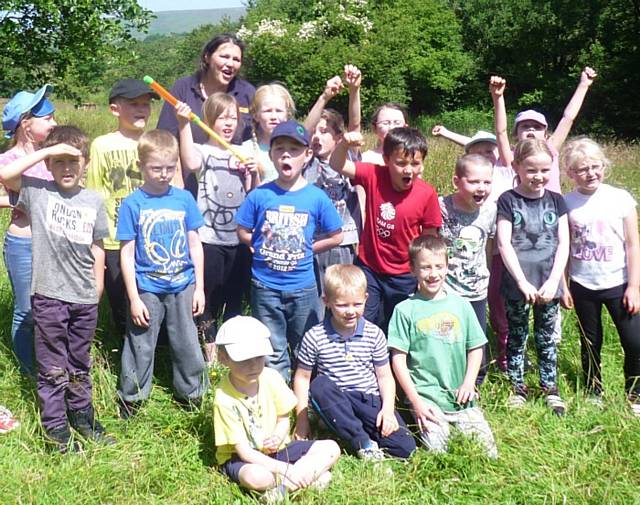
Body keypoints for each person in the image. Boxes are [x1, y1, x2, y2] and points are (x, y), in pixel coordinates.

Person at [0, 126, 113, 452]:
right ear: (49, 164)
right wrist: (46, 152)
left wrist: (99, 283)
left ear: (86, 164)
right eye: (59, 161)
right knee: (52, 367)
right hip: (49, 297)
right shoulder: (37, 192)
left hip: (84, 298)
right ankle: (55, 431)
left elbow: (98, 246)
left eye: (73, 161)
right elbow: (5, 173)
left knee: (80, 363)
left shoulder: (93, 200)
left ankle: (82, 418)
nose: (66, 168)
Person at [236, 120, 343, 380]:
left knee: (307, 345)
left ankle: (309, 399)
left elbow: (337, 236)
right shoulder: (259, 195)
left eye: (294, 150)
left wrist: (308, 248)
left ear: (307, 156)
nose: (286, 154)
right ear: (271, 155)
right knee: (272, 348)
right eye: (280, 149)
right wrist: (257, 245)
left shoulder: (316, 197)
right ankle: (279, 398)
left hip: (304, 288)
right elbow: (242, 231)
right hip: (265, 287)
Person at [116, 129, 208, 417]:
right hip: (147, 287)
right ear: (141, 166)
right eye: (156, 168)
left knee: (187, 341)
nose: (164, 174)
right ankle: (131, 398)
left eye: (170, 168)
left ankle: (192, 395)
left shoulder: (183, 200)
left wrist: (200, 287)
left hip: (183, 284)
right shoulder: (133, 203)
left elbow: (195, 244)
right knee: (140, 344)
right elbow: (127, 253)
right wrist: (133, 298)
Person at [388, 235, 497, 458]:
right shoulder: (404, 310)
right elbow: (398, 359)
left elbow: (476, 347)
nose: (433, 273)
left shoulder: (462, 305)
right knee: (439, 451)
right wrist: (416, 401)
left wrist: (468, 383)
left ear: (447, 267)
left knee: (488, 452)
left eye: (439, 266)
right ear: (413, 269)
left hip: (460, 399)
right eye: (425, 267)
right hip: (427, 399)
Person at [293, 264, 416, 460]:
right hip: (335, 400)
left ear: (366, 299)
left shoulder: (374, 333)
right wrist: (301, 420)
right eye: (342, 305)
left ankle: (342, 430)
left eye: (357, 304)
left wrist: (387, 410)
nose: (351, 311)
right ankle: (363, 442)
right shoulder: (315, 336)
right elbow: (302, 378)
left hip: (367, 400)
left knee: (405, 448)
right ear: (327, 302)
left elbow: (384, 376)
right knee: (320, 386)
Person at [213, 316, 340, 503]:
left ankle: (283, 489)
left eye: (258, 357)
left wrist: (279, 435)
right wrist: (286, 468)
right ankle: (308, 476)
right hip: (241, 458)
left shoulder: (271, 377)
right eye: (244, 359)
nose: (253, 365)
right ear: (223, 359)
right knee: (256, 477)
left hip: (279, 450)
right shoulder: (224, 398)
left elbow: (283, 417)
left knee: (331, 447)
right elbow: (244, 452)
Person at [329, 127, 441, 331]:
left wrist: (421, 272)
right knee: (364, 323)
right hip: (369, 268)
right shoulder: (373, 174)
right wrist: (344, 144)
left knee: (398, 325)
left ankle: (393, 362)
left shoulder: (427, 194)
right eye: (401, 163)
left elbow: (429, 241)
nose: (409, 170)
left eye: (416, 163)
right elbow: (337, 164)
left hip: (405, 275)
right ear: (386, 159)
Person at [560, 138, 640, 415]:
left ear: (604, 166)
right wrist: (564, 283)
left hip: (618, 283)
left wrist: (634, 285)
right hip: (583, 284)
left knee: (634, 341)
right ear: (570, 173)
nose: (590, 173)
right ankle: (594, 389)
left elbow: (632, 243)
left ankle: (635, 393)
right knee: (590, 342)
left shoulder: (620, 199)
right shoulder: (566, 203)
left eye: (595, 167)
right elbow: (565, 247)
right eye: (582, 169)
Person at [175, 93, 257, 363]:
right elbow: (190, 163)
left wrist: (254, 173)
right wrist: (184, 124)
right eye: (222, 117)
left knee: (234, 298)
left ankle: (231, 353)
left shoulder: (245, 151)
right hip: (209, 238)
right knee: (208, 297)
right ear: (209, 119)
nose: (228, 122)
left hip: (239, 240)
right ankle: (210, 354)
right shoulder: (203, 151)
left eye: (233, 117)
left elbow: (254, 196)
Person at [496, 139, 569, 415]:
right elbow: (504, 243)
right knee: (517, 334)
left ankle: (549, 386)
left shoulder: (556, 201)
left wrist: (554, 281)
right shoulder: (508, 200)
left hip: (549, 283)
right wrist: (521, 281)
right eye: (531, 171)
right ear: (517, 167)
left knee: (546, 336)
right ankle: (517, 386)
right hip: (518, 285)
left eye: (544, 170)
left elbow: (563, 243)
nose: (538, 177)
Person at [85, 78, 162, 336]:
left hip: (152, 237)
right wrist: (95, 243)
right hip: (115, 240)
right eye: (134, 104)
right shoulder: (102, 145)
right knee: (122, 303)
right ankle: (126, 356)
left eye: (146, 104)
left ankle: (157, 353)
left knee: (153, 299)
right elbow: (94, 193)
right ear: (115, 109)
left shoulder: (156, 142)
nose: (142, 109)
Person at [0, 84, 56, 375]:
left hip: (55, 245)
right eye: (47, 118)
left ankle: (52, 366)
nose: (54, 123)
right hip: (23, 244)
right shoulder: (6, 161)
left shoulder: (52, 157)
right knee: (26, 311)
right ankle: (27, 372)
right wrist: (15, 200)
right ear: (25, 123)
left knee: (52, 308)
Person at [156, 33, 255, 192]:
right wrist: (176, 181)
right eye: (224, 56)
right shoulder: (183, 88)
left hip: (234, 190)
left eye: (236, 59)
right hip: (188, 187)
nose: (230, 64)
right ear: (207, 57)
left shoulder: (247, 93)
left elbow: (257, 140)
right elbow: (165, 138)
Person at [304, 65, 363, 294]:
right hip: (313, 242)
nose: (317, 136)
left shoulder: (347, 157)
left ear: (339, 137)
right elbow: (303, 132)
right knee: (316, 299)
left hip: (343, 241)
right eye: (315, 132)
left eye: (325, 131)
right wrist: (325, 96)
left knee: (342, 295)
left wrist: (354, 90)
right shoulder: (306, 160)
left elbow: (355, 125)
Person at [491, 67, 597, 194]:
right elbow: (501, 132)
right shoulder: (511, 157)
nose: (531, 128)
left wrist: (583, 85)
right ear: (516, 134)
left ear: (546, 135)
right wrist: (498, 97)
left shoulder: (550, 150)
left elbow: (568, 118)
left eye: (537, 127)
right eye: (525, 126)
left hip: (552, 209)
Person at [439, 154, 496, 383]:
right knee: (444, 338)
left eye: (486, 182)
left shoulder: (490, 211)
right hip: (445, 289)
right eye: (474, 182)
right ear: (457, 181)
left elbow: (490, 246)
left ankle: (475, 382)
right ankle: (445, 379)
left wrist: (489, 277)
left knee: (475, 337)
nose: (481, 187)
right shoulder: (441, 206)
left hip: (476, 289)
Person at [242, 83, 297, 184]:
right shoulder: (245, 150)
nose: (273, 116)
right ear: (256, 115)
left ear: (287, 115)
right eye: (267, 111)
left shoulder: (295, 149)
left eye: (279, 111)